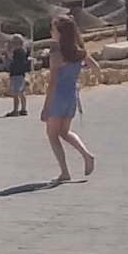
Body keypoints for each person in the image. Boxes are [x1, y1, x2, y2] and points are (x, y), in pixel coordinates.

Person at [41, 14, 97, 182]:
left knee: (52, 135)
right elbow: (95, 66)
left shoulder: (56, 55)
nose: (51, 32)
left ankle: (65, 172)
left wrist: (46, 107)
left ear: (60, 32)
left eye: (53, 29)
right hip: (71, 96)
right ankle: (86, 155)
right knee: (64, 132)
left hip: (58, 97)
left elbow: (52, 83)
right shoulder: (78, 52)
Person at [0, 30, 33, 116]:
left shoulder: (17, 52)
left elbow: (11, 60)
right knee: (22, 93)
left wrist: (6, 53)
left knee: (15, 93)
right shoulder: (23, 51)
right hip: (21, 74)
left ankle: (15, 110)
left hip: (16, 74)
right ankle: (23, 109)